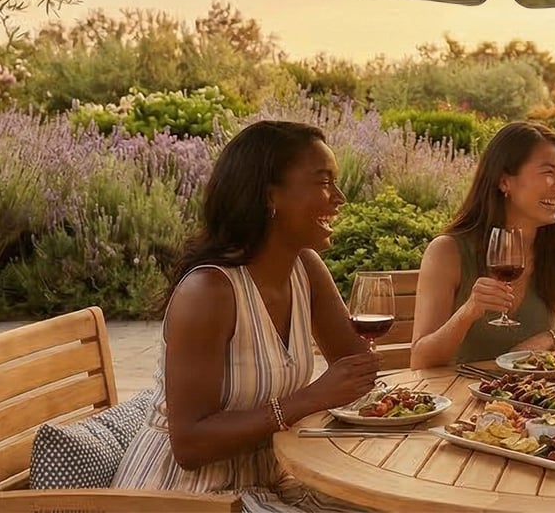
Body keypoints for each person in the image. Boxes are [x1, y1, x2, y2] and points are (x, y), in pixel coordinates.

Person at [114, 120, 380, 511]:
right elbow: (189, 444)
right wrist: (309, 399)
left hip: (269, 481)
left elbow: (356, 368)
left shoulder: (306, 268)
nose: (339, 197)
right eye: (324, 182)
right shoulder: (209, 292)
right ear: (270, 195)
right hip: (188, 496)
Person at [410, 121, 555, 367]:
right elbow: (420, 360)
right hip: (458, 396)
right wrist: (468, 311)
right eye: (548, 172)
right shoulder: (448, 252)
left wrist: (551, 339)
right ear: (504, 181)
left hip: (533, 397)